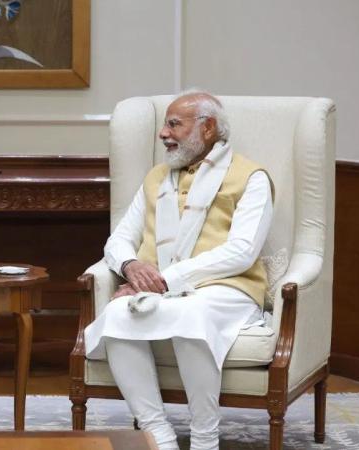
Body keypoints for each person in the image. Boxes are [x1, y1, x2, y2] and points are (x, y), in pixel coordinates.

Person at [84, 91, 274, 450]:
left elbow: (242, 252)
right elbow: (119, 239)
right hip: (161, 290)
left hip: (227, 288)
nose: (163, 134)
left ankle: (204, 439)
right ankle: (158, 434)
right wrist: (131, 266)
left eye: (174, 124)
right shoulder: (156, 178)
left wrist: (163, 281)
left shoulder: (252, 177)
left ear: (208, 128)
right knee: (118, 314)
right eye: (164, 125)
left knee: (190, 312)